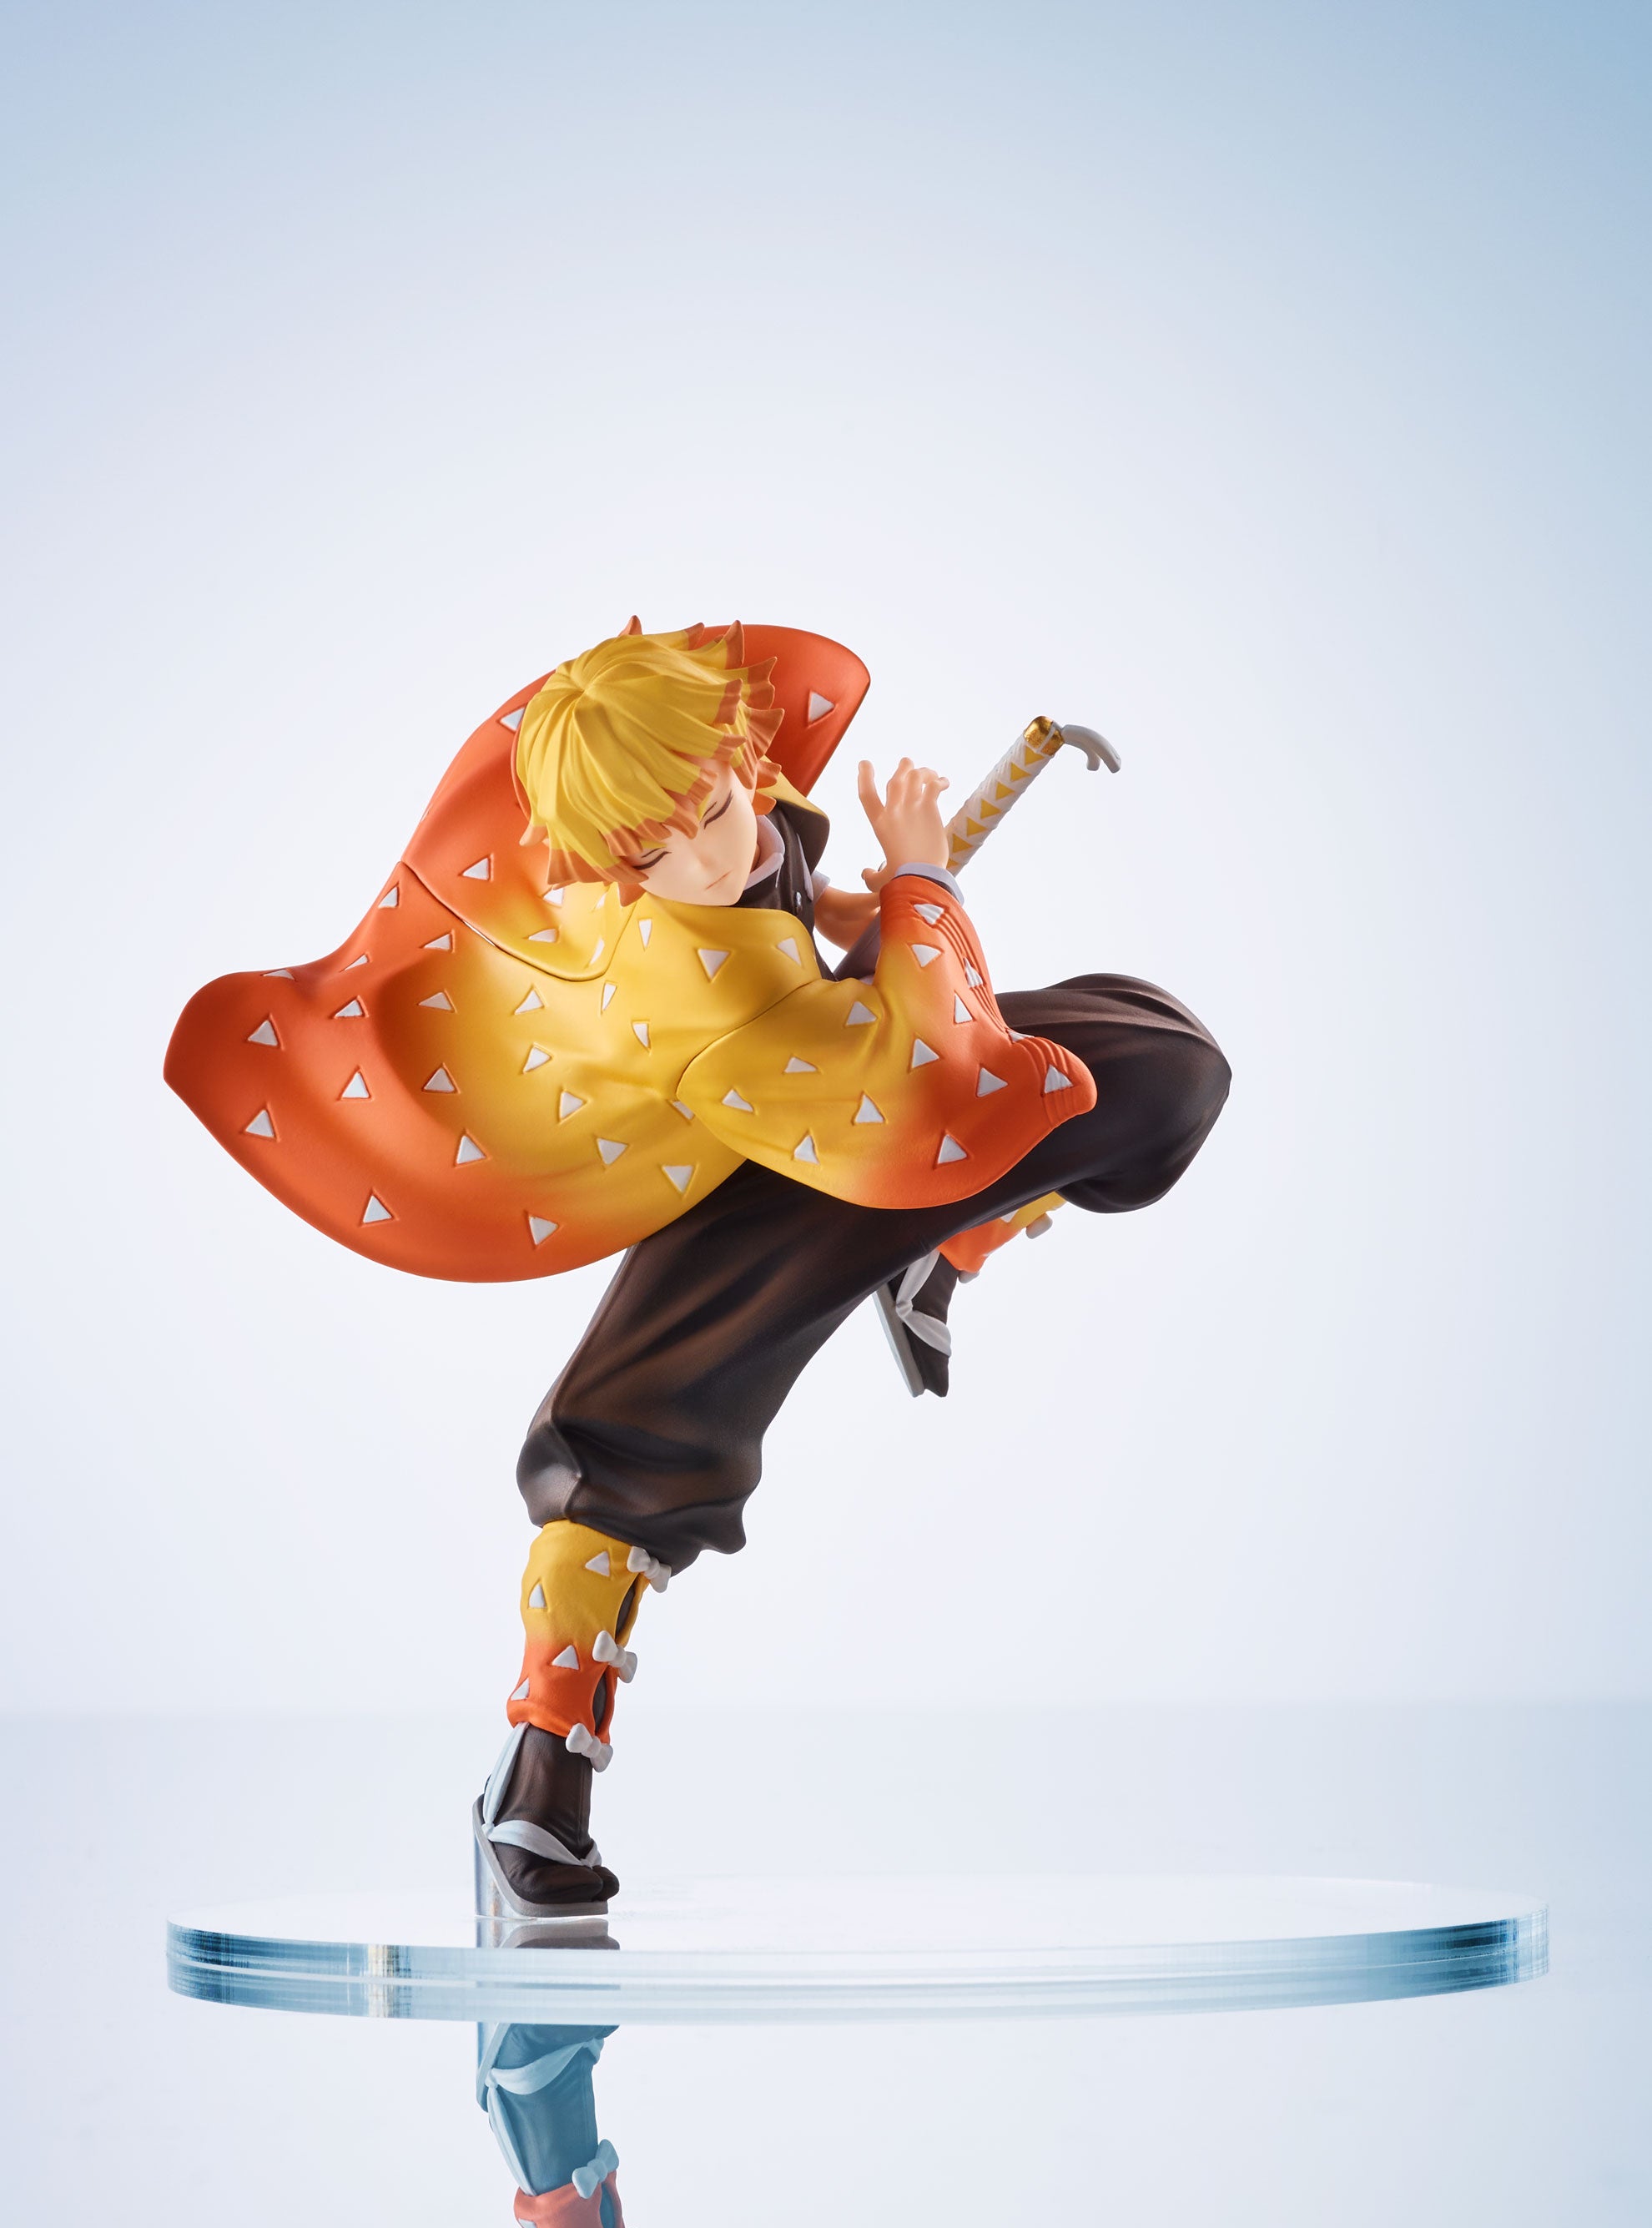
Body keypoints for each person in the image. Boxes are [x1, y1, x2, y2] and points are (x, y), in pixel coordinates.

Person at [165, 619, 1231, 1920]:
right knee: (629, 1448)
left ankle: (938, 1246)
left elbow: (790, 906)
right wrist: (921, 883)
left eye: (722, 804)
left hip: (829, 1089)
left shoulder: (736, 827)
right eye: (662, 852)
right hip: (746, 1136)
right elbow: (928, 1087)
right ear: (611, 871)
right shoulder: (692, 993)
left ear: (734, 755)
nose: (717, 852)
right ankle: (538, 1782)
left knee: (1160, 1062)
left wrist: (866, 902)